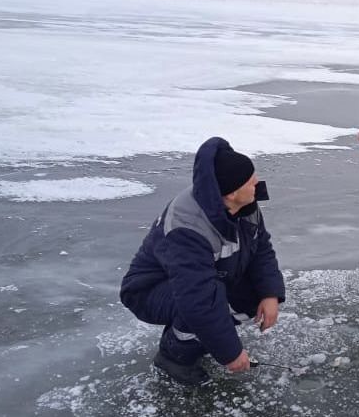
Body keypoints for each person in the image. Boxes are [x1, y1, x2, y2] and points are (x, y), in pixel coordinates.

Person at [120, 137, 285, 385]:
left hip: (207, 280)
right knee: (203, 305)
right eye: (250, 178)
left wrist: (270, 294)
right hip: (149, 291)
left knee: (250, 296)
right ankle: (173, 356)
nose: (256, 181)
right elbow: (198, 297)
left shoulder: (245, 205)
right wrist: (230, 353)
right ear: (231, 193)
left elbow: (261, 249)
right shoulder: (187, 227)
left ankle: (201, 337)